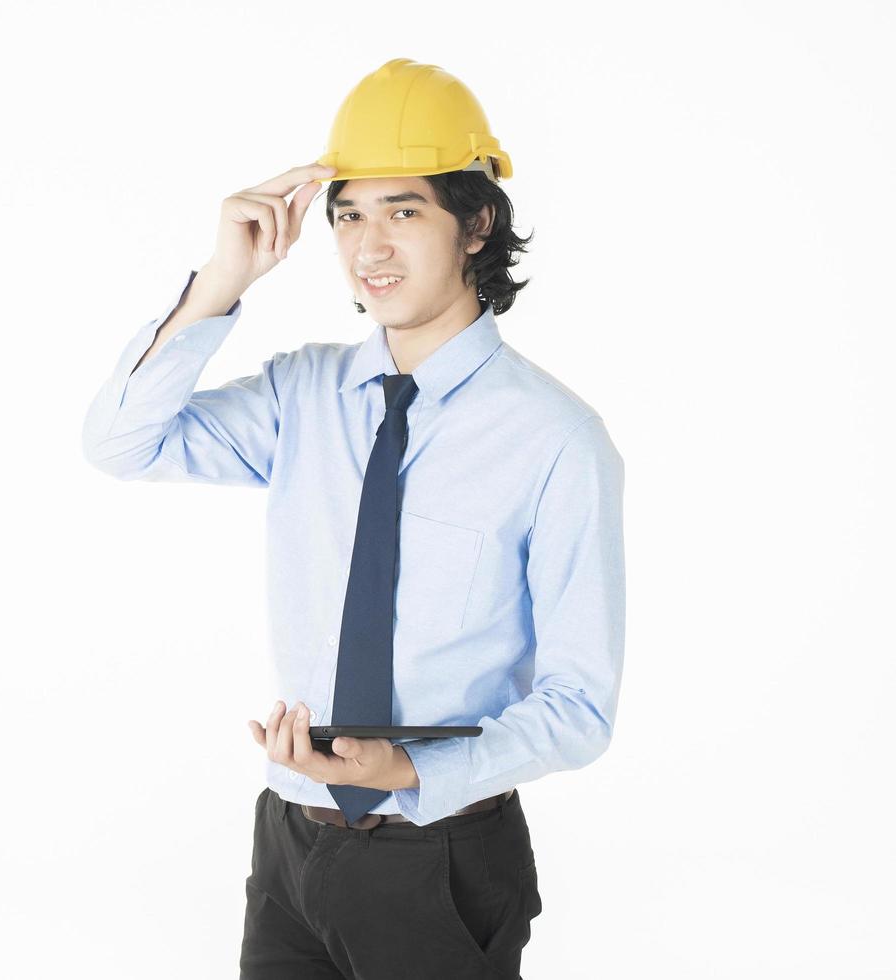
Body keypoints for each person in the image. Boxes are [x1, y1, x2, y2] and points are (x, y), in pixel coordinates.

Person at [81, 59, 625, 980]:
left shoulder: (555, 440)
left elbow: (580, 710)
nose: (369, 245)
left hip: (441, 857)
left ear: (476, 223)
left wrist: (410, 775)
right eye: (348, 215)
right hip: (291, 841)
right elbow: (122, 444)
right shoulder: (304, 395)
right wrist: (220, 280)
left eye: (403, 211)